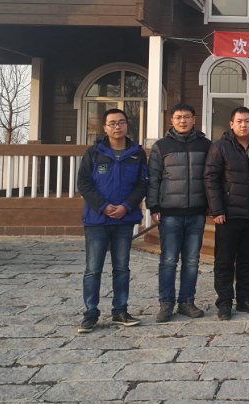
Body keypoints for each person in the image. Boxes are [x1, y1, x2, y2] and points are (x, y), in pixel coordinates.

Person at [76, 108, 148, 333]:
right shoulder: (94, 153)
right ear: (105, 128)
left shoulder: (137, 153)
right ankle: (90, 313)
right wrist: (103, 206)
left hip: (124, 220)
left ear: (127, 125)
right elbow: (83, 183)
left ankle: (120, 311)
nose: (117, 126)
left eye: (121, 122)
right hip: (97, 220)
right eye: (112, 123)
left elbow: (142, 184)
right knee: (93, 269)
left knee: (121, 268)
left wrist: (126, 206)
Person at [147, 103, 211, 323]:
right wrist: (154, 207)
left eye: (186, 117)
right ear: (171, 120)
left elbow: (211, 177)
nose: (182, 121)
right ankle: (166, 303)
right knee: (168, 260)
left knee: (192, 261)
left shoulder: (205, 145)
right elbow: (153, 179)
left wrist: (211, 206)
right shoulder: (161, 146)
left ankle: (187, 301)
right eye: (178, 117)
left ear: (194, 119)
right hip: (170, 213)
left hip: (196, 213)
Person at [204, 107, 249, 321]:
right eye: (239, 121)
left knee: (248, 261)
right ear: (231, 124)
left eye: (247, 121)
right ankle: (224, 303)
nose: (243, 125)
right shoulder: (220, 147)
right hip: (228, 214)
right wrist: (217, 209)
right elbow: (211, 179)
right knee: (224, 261)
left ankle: (245, 300)